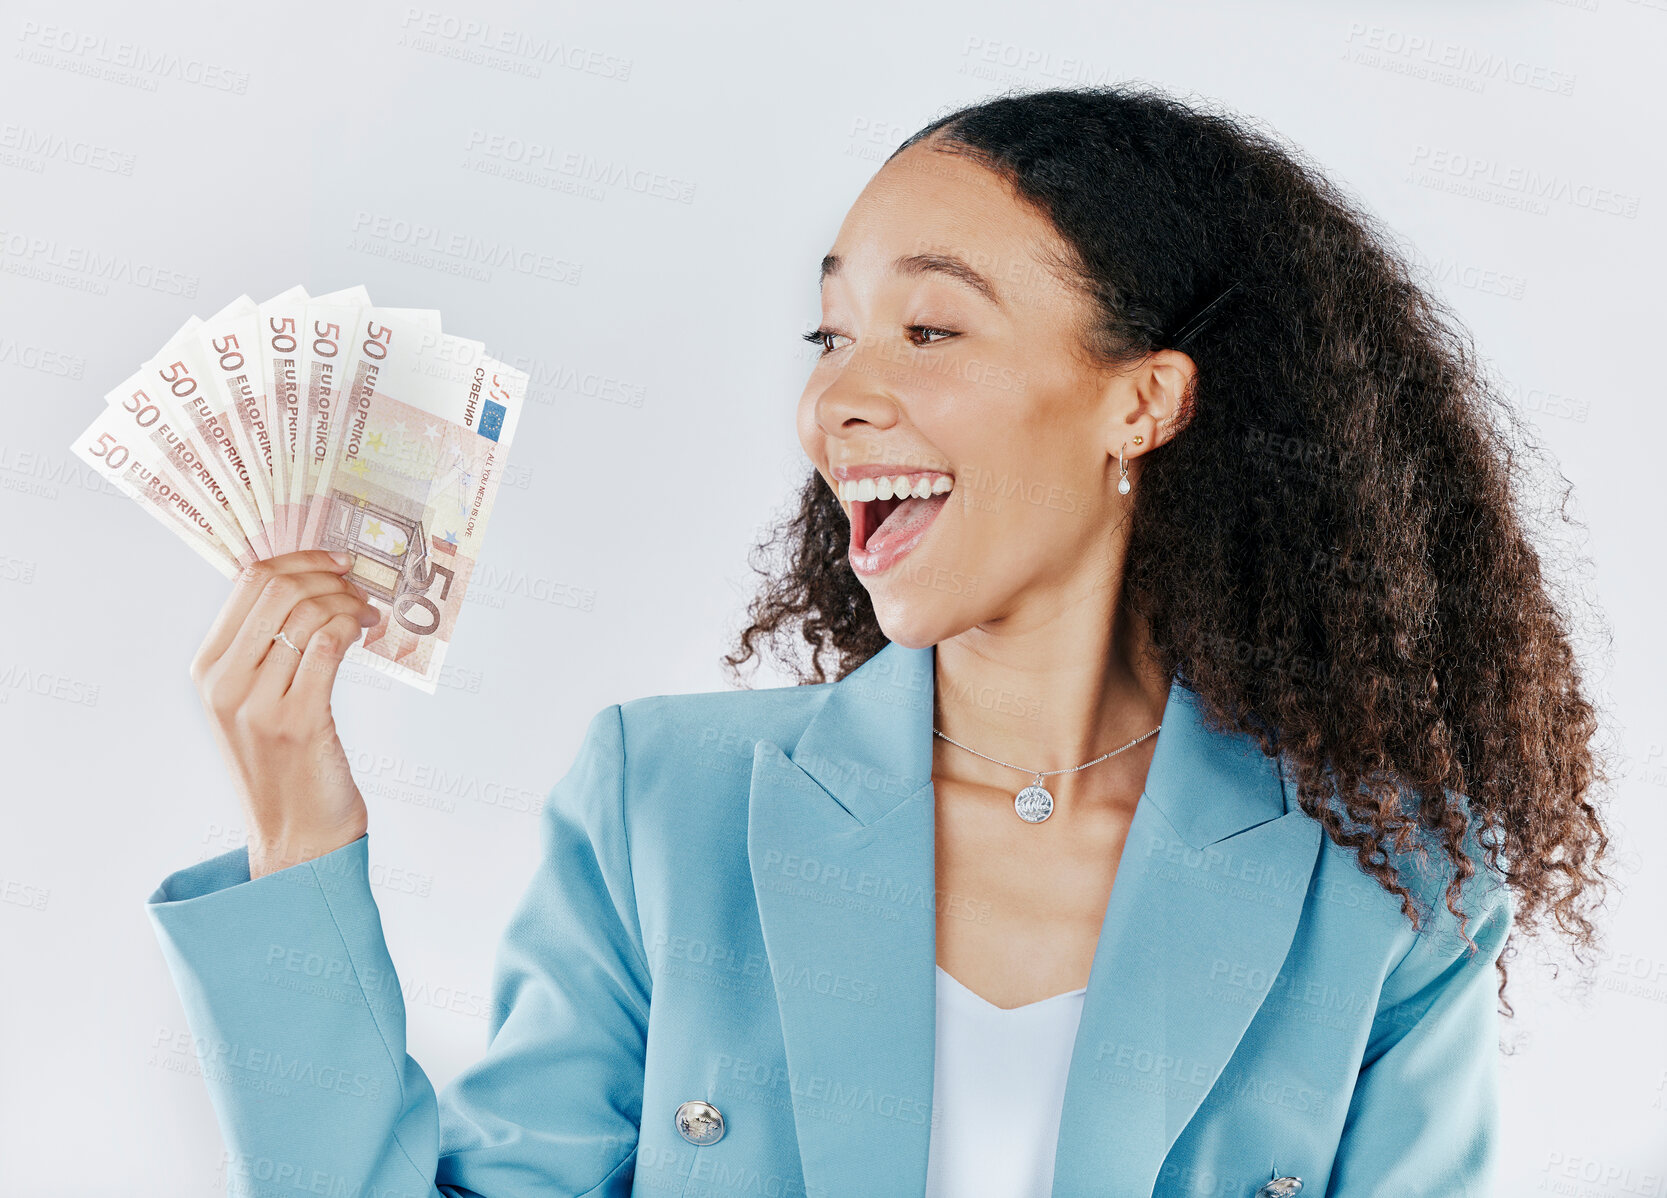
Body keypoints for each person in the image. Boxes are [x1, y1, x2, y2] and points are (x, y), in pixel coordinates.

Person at [149, 84, 1611, 1198]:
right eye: (829, 337)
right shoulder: (665, 804)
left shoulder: (1390, 885)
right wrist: (296, 823)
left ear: (1143, 403)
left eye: (930, 332)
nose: (836, 403)